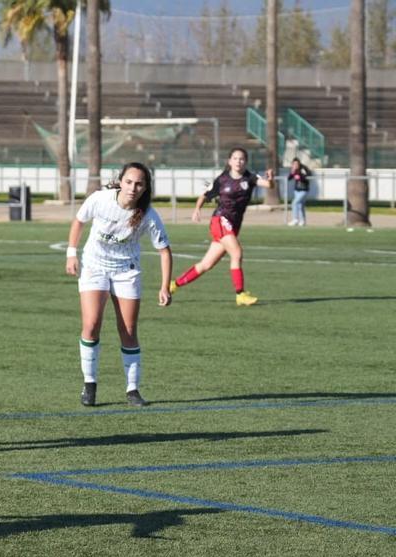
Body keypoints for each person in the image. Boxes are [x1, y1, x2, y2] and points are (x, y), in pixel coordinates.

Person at [65, 162, 172, 407]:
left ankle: (132, 390)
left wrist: (165, 286)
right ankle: (89, 384)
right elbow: (79, 221)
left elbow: (165, 251)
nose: (133, 188)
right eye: (129, 182)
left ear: (146, 188)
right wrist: (71, 253)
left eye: (139, 184)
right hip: (94, 267)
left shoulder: (148, 215)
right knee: (91, 325)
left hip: (127, 271)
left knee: (129, 330)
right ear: (120, 181)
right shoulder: (100, 199)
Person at [172, 147, 273, 306]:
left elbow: (268, 185)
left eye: (241, 159)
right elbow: (205, 195)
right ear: (230, 161)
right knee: (237, 252)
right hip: (220, 220)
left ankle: (173, 285)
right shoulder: (222, 179)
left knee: (206, 264)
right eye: (235, 158)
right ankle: (240, 294)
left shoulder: (250, 178)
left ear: (245, 162)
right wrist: (197, 209)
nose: (238, 161)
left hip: (233, 225)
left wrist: (271, 179)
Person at [287, 158, 311, 227]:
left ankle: (295, 219)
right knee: (300, 205)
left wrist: (299, 176)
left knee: (294, 202)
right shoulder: (294, 170)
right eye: (293, 164)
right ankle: (302, 221)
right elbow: (289, 178)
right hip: (297, 190)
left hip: (304, 190)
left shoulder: (303, 169)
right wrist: (292, 172)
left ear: (299, 163)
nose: (295, 165)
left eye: (296, 164)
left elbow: (307, 176)